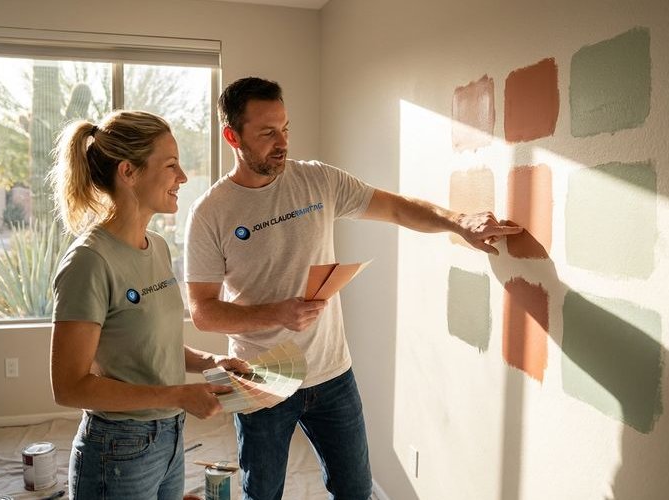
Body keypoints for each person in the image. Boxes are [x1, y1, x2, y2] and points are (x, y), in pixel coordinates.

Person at [184, 77, 523, 500]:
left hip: (332, 373)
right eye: (267, 133)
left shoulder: (317, 181)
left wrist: (459, 222)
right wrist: (277, 314)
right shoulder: (209, 213)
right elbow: (203, 311)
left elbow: (396, 207)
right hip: (258, 375)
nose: (282, 142)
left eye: (285, 129)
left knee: (356, 490)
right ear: (232, 136)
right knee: (262, 492)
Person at [49, 110, 249, 500]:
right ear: (129, 172)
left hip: (170, 437)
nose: (183, 177)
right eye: (171, 165)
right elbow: (69, 386)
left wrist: (211, 363)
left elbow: (150, 343)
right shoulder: (89, 261)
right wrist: (177, 394)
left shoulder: (155, 246)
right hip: (118, 449)